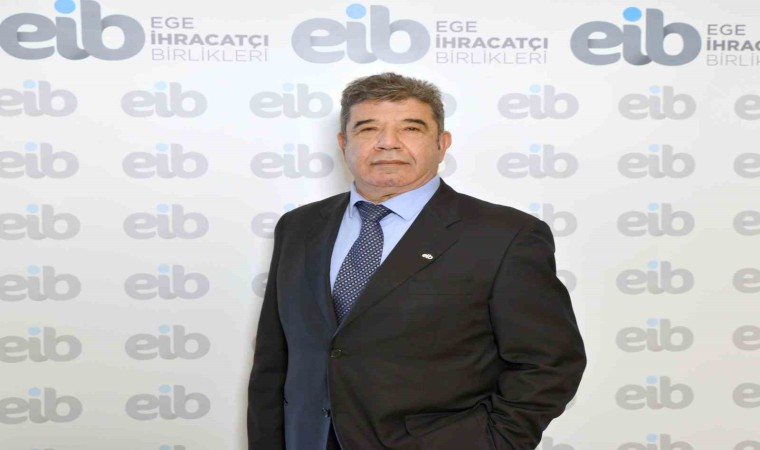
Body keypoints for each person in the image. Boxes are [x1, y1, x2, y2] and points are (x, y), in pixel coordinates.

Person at [247, 72, 586, 450]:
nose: (387, 143)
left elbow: (550, 364)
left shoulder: (506, 236)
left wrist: (488, 441)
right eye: (367, 128)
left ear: (442, 144)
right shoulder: (299, 227)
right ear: (343, 143)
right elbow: (273, 361)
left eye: (411, 128)